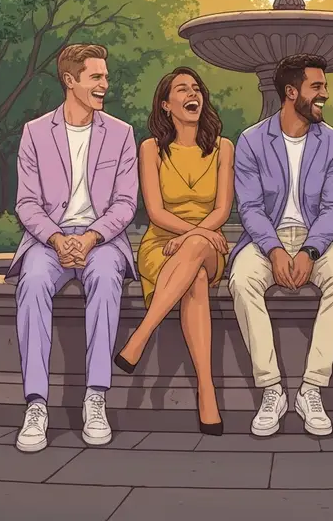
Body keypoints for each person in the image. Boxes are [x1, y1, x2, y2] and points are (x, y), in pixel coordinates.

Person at [7, 44, 138, 453]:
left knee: (103, 275)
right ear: (71, 80)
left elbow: (125, 204)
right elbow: (26, 203)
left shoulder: (121, 134)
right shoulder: (34, 132)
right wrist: (58, 239)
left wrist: (91, 237)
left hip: (102, 239)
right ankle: (36, 404)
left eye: (105, 76)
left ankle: (95, 396)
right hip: (50, 237)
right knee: (32, 282)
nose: (105, 84)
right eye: (96, 77)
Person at [228, 54, 333, 437]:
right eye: (317, 88)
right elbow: (249, 207)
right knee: (241, 280)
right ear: (290, 92)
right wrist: (275, 250)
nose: (325, 95)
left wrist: (310, 250)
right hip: (265, 239)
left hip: (320, 239)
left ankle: (312, 389)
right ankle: (271, 390)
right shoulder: (252, 141)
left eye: (324, 87)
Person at [113, 67, 233, 436]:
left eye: (195, 88)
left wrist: (196, 235)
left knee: (197, 252)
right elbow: (156, 211)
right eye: (181, 90)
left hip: (210, 242)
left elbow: (222, 210)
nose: (191, 94)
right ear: (166, 105)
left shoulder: (223, 147)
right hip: (161, 245)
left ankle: (140, 336)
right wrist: (191, 235)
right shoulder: (150, 149)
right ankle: (207, 391)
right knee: (194, 276)